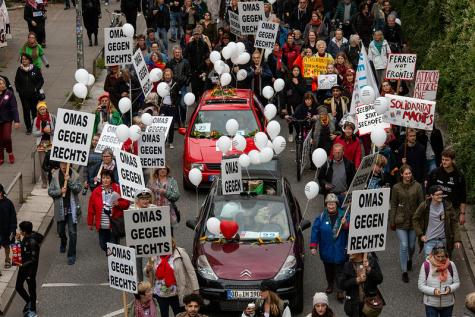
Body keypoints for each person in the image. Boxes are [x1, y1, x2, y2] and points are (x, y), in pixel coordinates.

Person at [310, 193, 349, 301]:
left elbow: (351, 229)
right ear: (326, 205)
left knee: (340, 271)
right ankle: (330, 284)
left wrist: (345, 224)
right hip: (326, 250)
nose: (331, 206)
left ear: (337, 204)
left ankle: (340, 290)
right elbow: (315, 231)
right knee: (329, 270)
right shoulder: (321, 217)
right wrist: (313, 246)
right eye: (329, 204)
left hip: (340, 249)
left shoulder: (344, 215)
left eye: (333, 204)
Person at [145, 239, 199, 317]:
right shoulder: (155, 255)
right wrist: (147, 269)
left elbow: (191, 271)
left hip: (177, 294)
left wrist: (196, 289)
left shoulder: (180, 252)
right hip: (160, 294)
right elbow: (148, 272)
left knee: (179, 315)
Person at [390, 164, 424, 283]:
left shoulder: (418, 186)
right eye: (406, 173)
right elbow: (393, 204)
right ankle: (404, 271)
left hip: (414, 221)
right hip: (401, 220)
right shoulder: (396, 188)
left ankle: (410, 259)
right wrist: (392, 220)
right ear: (401, 174)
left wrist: (421, 221)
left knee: (411, 246)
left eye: (410, 173)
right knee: (404, 245)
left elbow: (422, 204)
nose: (408, 175)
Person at [413, 185, 462, 259]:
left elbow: (454, 222)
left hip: (443, 240)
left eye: (441, 194)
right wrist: (420, 235)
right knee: (429, 266)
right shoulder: (424, 205)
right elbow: (415, 219)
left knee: (443, 266)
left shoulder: (447, 205)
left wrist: (457, 240)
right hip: (429, 240)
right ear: (432, 195)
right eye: (438, 194)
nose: (440, 196)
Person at [88, 169, 130, 252]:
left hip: (114, 224)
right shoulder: (96, 191)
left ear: (111, 179)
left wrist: (119, 204)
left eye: (107, 178)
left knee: (113, 246)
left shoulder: (118, 189)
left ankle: (114, 261)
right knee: (103, 244)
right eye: (103, 178)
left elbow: (126, 204)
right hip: (102, 225)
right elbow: (91, 208)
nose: (105, 180)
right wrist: (90, 222)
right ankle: (112, 257)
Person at [48, 162, 82, 265]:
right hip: (61, 208)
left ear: (69, 164)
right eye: (62, 163)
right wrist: (59, 191)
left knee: (73, 232)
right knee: (60, 231)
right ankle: (63, 241)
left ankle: (71, 254)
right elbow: (50, 191)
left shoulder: (75, 175)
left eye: (65, 164)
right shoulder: (55, 175)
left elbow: (78, 189)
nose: (63, 166)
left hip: (72, 207)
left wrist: (70, 181)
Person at [426, 148, 467, 226]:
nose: (444, 162)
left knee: (452, 234)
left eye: (447, 160)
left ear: (453, 160)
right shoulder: (435, 173)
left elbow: (463, 197)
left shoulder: (459, 176)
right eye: (443, 159)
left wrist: (462, 214)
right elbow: (428, 192)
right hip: (437, 209)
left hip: (453, 210)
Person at [418, 244, 460, 317]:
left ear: (446, 255)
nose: (440, 259)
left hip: (448, 303)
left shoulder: (451, 265)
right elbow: (421, 285)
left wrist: (449, 289)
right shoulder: (426, 265)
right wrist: (434, 291)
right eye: (438, 256)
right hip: (431, 303)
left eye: (443, 256)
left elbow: (457, 283)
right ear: (433, 255)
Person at [338, 252, 384, 317]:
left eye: (352, 250)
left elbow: (379, 279)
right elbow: (342, 285)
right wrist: (356, 280)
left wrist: (369, 269)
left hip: (369, 304)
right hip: (353, 305)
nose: (349, 252)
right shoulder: (347, 265)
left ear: (360, 251)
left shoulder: (372, 262)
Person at [14, 221, 43, 317]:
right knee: (18, 286)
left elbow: (34, 259)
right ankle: (29, 301)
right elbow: (22, 250)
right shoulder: (25, 238)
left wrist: (23, 264)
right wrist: (18, 241)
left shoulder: (33, 242)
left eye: (20, 230)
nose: (19, 231)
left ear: (24, 231)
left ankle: (33, 311)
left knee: (32, 290)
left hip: (30, 271)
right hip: (23, 268)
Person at [14, 53, 44, 134]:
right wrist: (19, 90)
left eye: (25, 59)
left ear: (29, 60)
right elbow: (16, 81)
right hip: (23, 95)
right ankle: (28, 128)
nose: (23, 61)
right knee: (26, 110)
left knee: (34, 110)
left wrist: (35, 89)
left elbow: (41, 81)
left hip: (34, 94)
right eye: (22, 59)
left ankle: (35, 125)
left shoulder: (35, 69)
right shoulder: (19, 70)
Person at [32, 101, 55, 188]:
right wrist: (42, 131)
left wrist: (51, 131)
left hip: (50, 142)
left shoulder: (52, 117)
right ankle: (44, 181)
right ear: (38, 111)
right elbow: (34, 133)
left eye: (44, 109)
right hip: (41, 143)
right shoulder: (36, 120)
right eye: (41, 109)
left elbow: (56, 128)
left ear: (46, 109)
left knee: (52, 162)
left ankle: (52, 180)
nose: (42, 111)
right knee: (42, 163)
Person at [166, 46, 191, 126]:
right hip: (173, 86)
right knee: (175, 104)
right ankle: (176, 121)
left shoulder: (185, 62)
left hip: (182, 86)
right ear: (173, 53)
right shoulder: (170, 62)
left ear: (181, 53)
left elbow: (189, 74)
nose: (177, 54)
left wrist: (186, 82)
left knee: (183, 104)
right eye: (176, 52)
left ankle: (183, 120)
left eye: (179, 52)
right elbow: (166, 72)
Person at [184, 28, 210, 98]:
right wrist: (190, 60)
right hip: (193, 69)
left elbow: (208, 53)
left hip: (202, 69)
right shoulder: (189, 45)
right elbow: (185, 55)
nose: (196, 36)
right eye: (195, 34)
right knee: (194, 87)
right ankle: (196, 100)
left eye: (198, 34)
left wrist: (205, 57)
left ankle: (201, 100)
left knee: (202, 86)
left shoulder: (204, 44)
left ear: (200, 35)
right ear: (193, 35)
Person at [0, 76, 20, 165]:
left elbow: (14, 108)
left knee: (6, 137)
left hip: (7, 119)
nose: (1, 85)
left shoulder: (9, 94)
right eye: (0, 84)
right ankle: (1, 156)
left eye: (2, 83)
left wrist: (16, 121)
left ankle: (10, 152)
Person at [283, 65, 306, 142]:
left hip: (299, 103)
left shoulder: (302, 80)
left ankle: (298, 133)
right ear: (292, 71)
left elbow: (303, 91)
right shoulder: (288, 80)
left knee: (298, 119)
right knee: (290, 119)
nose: (296, 72)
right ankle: (290, 133)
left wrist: (297, 84)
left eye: (297, 70)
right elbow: (284, 93)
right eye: (294, 70)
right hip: (290, 103)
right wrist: (284, 105)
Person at [158, 68, 180, 148]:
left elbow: (178, 96)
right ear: (164, 75)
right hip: (163, 107)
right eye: (166, 75)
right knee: (162, 125)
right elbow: (158, 94)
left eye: (169, 75)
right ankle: (162, 141)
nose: (167, 76)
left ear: (171, 75)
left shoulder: (175, 84)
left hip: (172, 108)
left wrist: (175, 104)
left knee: (171, 125)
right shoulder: (161, 84)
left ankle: (170, 142)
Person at [0, 184, 17, 271]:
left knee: (6, 245)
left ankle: (7, 259)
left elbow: (13, 217)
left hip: (6, 229)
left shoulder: (8, 203)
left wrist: (13, 229)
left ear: (1, 192)